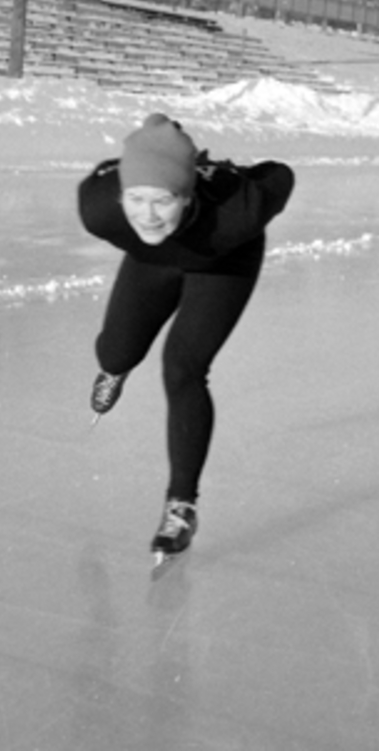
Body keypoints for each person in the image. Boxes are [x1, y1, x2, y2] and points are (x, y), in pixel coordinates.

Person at [77, 113, 295, 559]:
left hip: (223, 260)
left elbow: (281, 175)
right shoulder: (100, 210)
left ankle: (181, 505)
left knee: (183, 368)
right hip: (152, 261)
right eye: (136, 198)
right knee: (116, 352)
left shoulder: (236, 214)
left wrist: (232, 176)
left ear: (186, 194)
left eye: (163, 200)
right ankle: (114, 370)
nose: (148, 215)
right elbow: (115, 170)